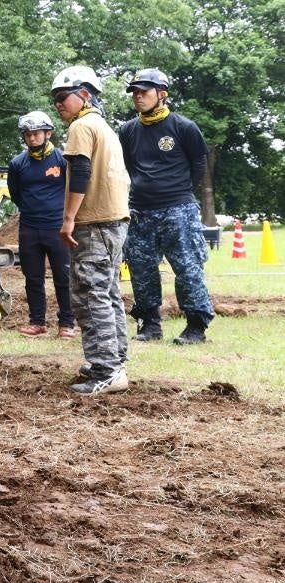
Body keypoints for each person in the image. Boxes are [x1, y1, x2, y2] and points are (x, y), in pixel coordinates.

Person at [118, 68, 215, 345]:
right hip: (139, 211)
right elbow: (127, 165)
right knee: (141, 269)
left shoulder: (183, 127)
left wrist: (177, 191)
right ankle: (150, 325)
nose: (138, 97)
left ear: (162, 94)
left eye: (144, 92)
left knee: (187, 268)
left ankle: (196, 326)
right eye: (135, 92)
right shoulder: (127, 130)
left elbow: (199, 164)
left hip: (178, 210)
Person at [51, 65, 132, 395]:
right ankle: (115, 360)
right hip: (114, 222)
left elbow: (81, 172)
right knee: (108, 293)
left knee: (90, 294)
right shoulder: (105, 128)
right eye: (54, 98)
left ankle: (106, 370)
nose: (58, 103)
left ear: (85, 94)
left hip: (94, 223)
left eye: (63, 96)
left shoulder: (81, 127)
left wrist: (69, 217)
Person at [6, 111, 76, 339]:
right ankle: (37, 322)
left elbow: (72, 190)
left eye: (36, 133)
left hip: (57, 227)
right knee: (32, 277)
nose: (32, 138)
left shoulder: (63, 159)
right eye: (28, 134)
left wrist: (68, 219)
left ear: (48, 133)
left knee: (63, 277)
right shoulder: (17, 163)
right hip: (28, 228)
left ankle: (67, 323)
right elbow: (15, 193)